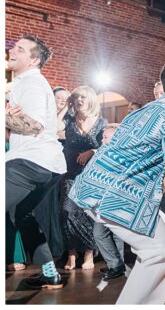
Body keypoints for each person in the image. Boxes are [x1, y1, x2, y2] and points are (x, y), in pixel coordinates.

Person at [68, 59, 165, 304]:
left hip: (91, 187)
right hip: (115, 195)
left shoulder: (147, 109)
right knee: (162, 251)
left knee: (164, 241)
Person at [6, 34, 68, 290]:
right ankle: (49, 273)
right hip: (47, 165)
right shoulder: (23, 82)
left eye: (20, 49)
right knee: (22, 215)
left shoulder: (30, 83)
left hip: (31, 162)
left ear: (33, 59)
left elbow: (33, 126)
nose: (12, 51)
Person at [60, 86, 106, 271]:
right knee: (67, 211)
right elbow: (54, 127)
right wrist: (65, 107)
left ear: (91, 100)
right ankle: (71, 254)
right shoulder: (68, 119)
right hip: (70, 173)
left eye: (84, 97)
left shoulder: (101, 122)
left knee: (89, 214)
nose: (80, 100)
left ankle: (88, 253)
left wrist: (93, 151)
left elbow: (109, 147)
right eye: (76, 97)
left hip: (92, 176)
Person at [94, 123, 127, 281]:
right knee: (114, 233)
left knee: (99, 233)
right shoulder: (105, 152)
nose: (102, 140)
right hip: (107, 199)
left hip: (112, 199)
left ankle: (116, 264)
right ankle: (117, 264)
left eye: (105, 137)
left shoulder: (118, 155)